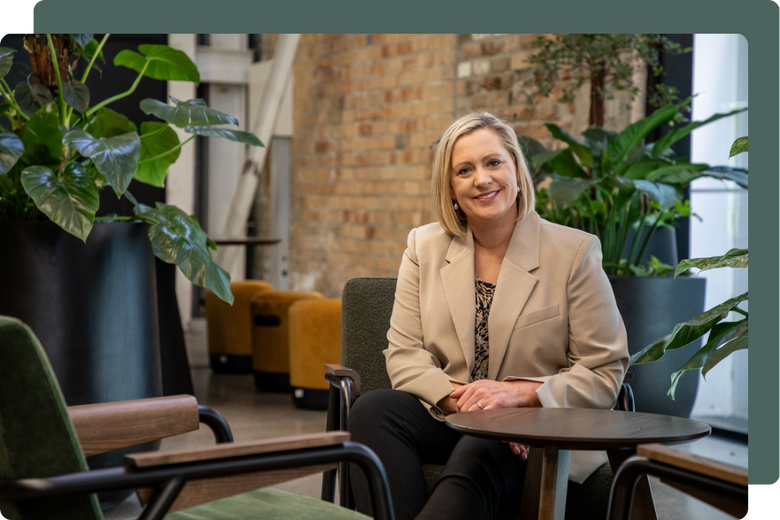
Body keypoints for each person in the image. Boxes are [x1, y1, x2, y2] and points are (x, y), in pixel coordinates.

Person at [349, 112, 629, 520]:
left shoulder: (574, 253)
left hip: (536, 432)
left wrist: (520, 396)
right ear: (450, 187)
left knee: (486, 442)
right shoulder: (423, 247)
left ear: (515, 168)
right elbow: (404, 354)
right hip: (453, 413)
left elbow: (604, 372)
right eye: (464, 170)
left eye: (493, 162)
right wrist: (470, 405)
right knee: (372, 411)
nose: (481, 179)